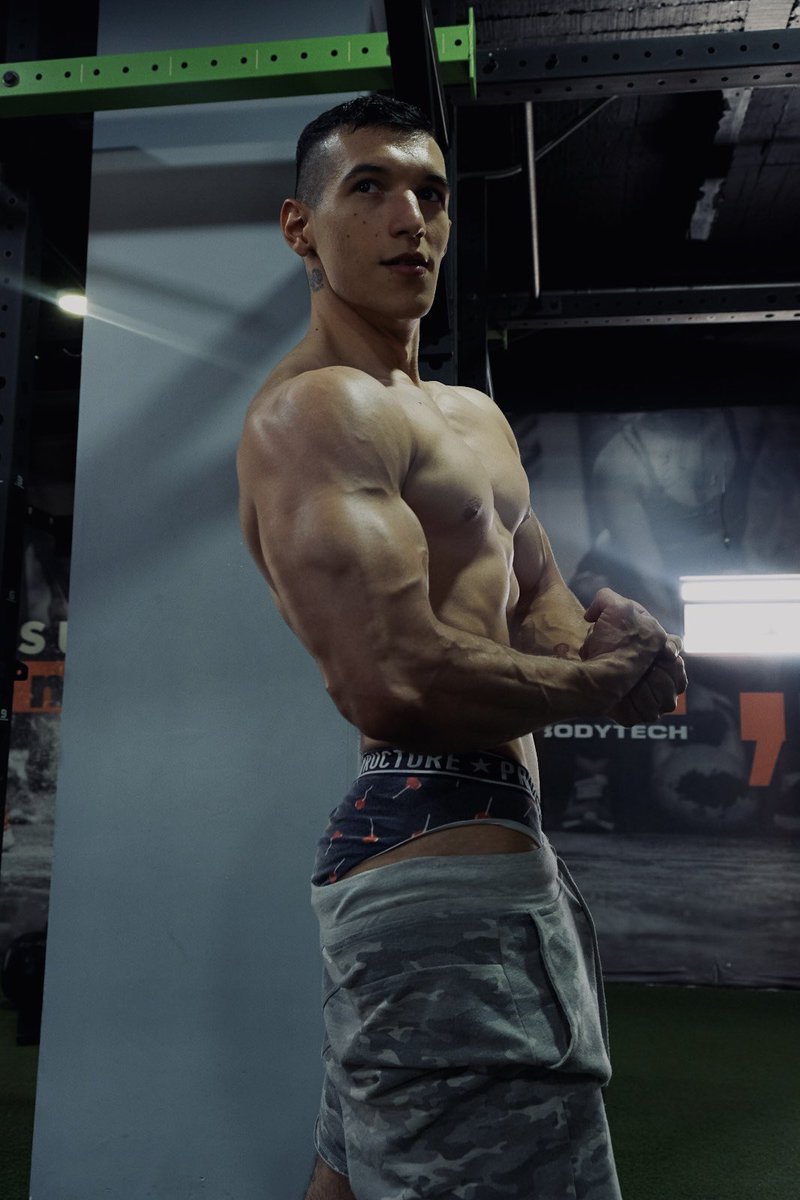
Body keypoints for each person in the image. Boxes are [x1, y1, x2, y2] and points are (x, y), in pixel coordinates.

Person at [236, 94, 686, 1200]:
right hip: (440, 852)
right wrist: (595, 686)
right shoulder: (316, 412)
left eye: (431, 194)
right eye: (370, 188)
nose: (412, 219)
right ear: (300, 228)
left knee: (349, 1181)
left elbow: (540, 603)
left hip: (472, 850)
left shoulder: (468, 417)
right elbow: (391, 679)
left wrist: (621, 645)